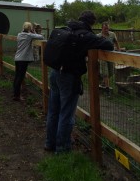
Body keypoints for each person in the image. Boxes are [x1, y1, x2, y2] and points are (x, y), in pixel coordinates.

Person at [45, 10, 114, 153]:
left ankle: (50, 143)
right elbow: (109, 45)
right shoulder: (87, 36)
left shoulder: (68, 28)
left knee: (53, 111)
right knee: (66, 113)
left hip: (55, 72)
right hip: (69, 77)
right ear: (92, 22)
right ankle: (62, 149)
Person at [13, 22, 44, 101]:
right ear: (30, 29)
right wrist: (33, 32)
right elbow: (41, 37)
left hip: (17, 58)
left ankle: (15, 94)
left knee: (17, 76)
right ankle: (17, 96)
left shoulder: (19, 34)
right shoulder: (29, 35)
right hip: (24, 59)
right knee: (20, 77)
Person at [97, 22, 121, 95]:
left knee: (111, 72)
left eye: (107, 28)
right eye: (105, 28)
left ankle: (103, 83)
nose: (106, 30)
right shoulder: (98, 36)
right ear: (102, 28)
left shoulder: (112, 34)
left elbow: (116, 42)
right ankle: (107, 89)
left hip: (111, 56)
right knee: (105, 73)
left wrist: (119, 51)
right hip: (102, 56)